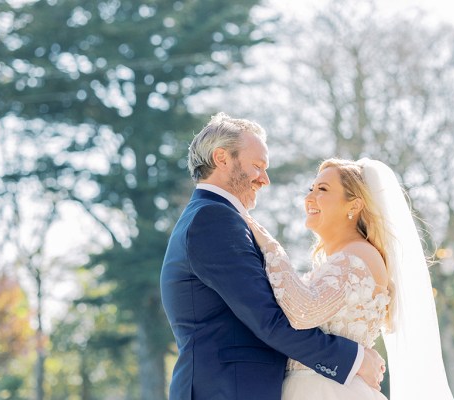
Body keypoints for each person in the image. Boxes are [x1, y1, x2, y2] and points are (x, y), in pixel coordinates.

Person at [160, 113, 385, 400]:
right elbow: (268, 319)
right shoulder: (213, 219)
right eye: (258, 166)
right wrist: (353, 358)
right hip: (225, 390)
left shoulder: (215, 217)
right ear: (222, 158)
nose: (265, 180)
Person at [244, 158, 454, 399]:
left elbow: (304, 311)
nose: (309, 198)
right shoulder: (344, 258)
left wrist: (272, 249)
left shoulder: (358, 255)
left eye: (322, 189)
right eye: (310, 189)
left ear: (353, 206)